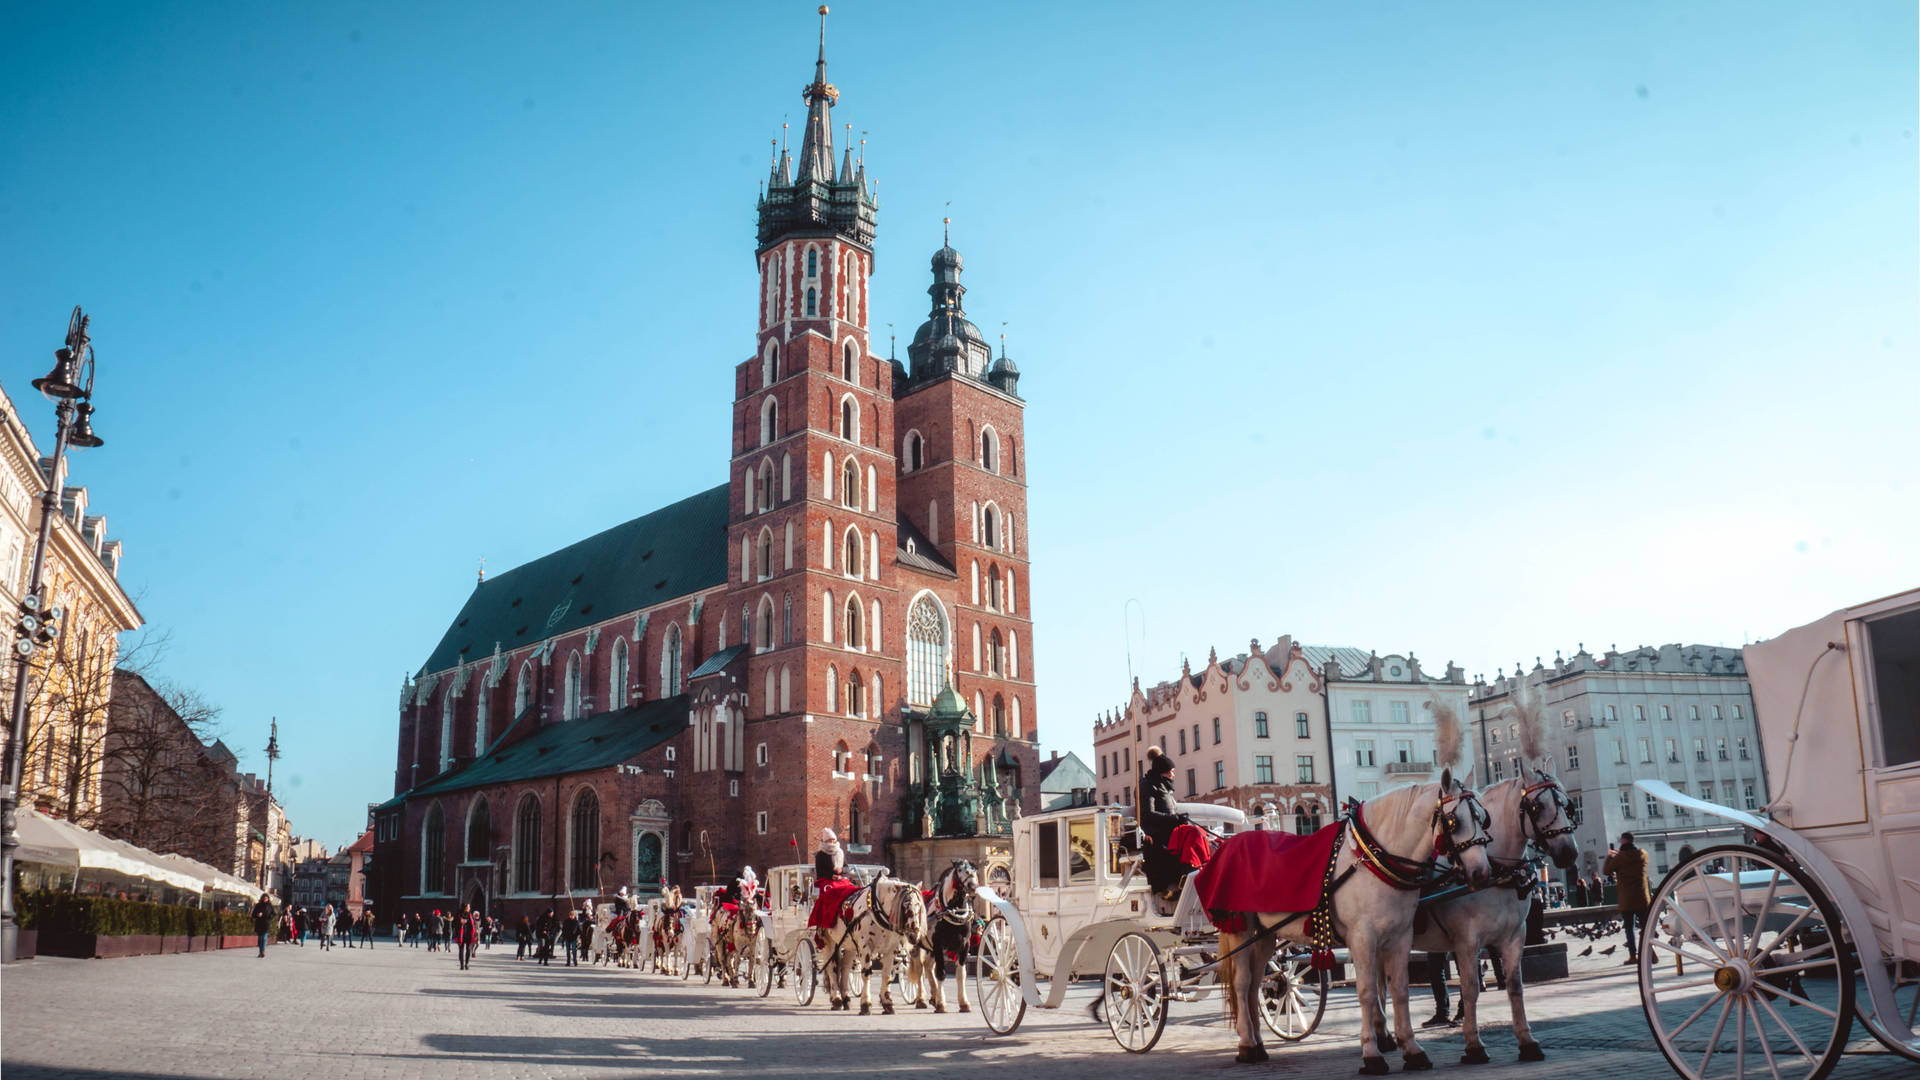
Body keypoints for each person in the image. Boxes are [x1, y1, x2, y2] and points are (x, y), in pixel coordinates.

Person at [1603, 831, 1651, 964]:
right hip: (1642, 897)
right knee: (1646, 928)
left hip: (1627, 899)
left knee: (1629, 929)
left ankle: (1633, 956)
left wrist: (1610, 856)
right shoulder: (1643, 854)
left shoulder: (1619, 858)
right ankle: (1651, 952)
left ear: (1623, 841)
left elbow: (1606, 871)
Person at [454, 903, 480, 970]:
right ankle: (462, 964)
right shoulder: (458, 915)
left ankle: (467, 964)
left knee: (468, 949)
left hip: (469, 934)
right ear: (465, 908)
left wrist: (475, 932)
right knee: (461, 950)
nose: (469, 908)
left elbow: (474, 924)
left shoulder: (470, 915)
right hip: (461, 935)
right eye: (468, 907)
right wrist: (460, 922)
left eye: (469, 907)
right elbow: (454, 923)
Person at [251, 893, 275, 958]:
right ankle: (260, 951)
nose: (265, 899)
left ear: (268, 899)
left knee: (264, 938)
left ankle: (262, 952)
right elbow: (253, 914)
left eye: (266, 898)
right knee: (260, 939)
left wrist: (270, 917)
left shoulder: (270, 906)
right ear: (262, 898)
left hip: (266, 923)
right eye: (264, 898)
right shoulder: (258, 905)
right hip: (259, 923)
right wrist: (257, 915)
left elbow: (273, 914)